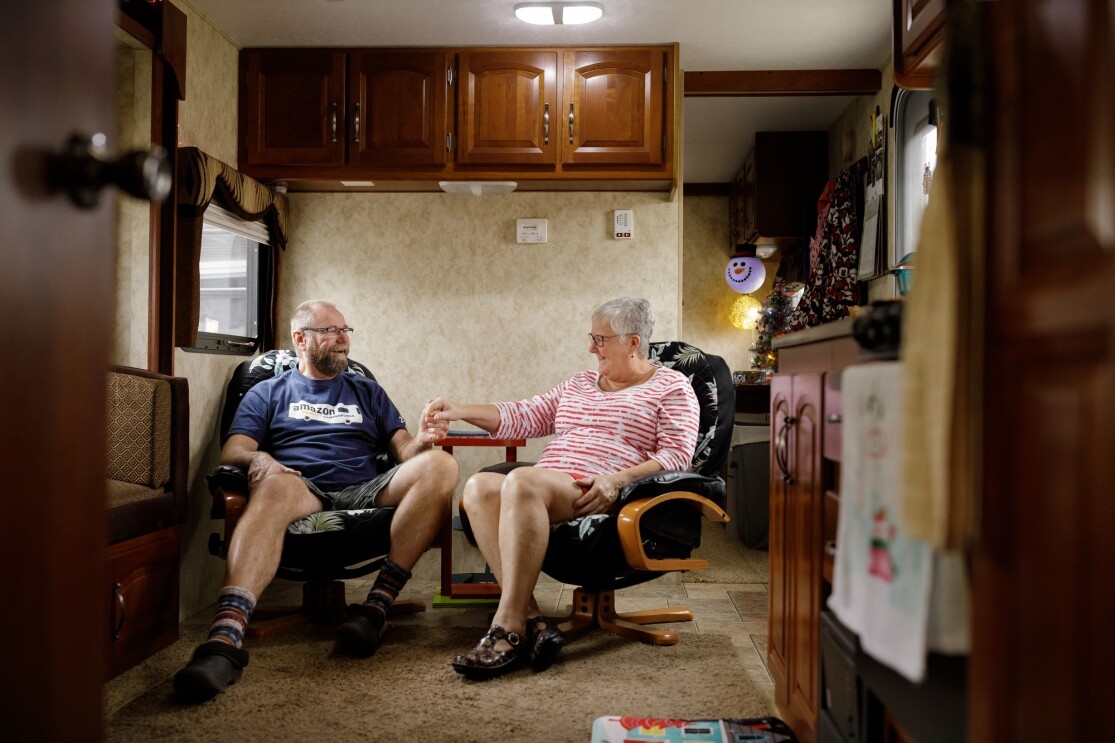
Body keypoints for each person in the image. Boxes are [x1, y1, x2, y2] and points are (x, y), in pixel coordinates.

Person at [174, 300, 457, 703]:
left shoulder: (368, 391)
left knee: (440, 468)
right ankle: (226, 637)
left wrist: (424, 441)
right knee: (272, 483)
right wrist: (260, 458)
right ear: (300, 339)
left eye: (346, 330)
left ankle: (376, 608)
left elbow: (404, 452)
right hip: (300, 486)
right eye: (331, 331)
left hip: (366, 486)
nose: (343, 339)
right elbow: (233, 448)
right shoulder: (267, 392)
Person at [425, 297, 700, 680]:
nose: (591, 348)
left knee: (521, 480)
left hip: (599, 490)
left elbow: (676, 455)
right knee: (478, 488)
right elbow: (523, 414)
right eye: (592, 338)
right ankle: (534, 621)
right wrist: (459, 410)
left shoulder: (671, 388)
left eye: (600, 339)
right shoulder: (580, 384)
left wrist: (617, 481)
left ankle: (506, 628)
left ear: (633, 343)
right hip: (549, 483)